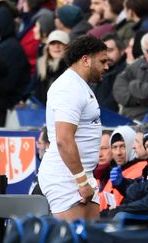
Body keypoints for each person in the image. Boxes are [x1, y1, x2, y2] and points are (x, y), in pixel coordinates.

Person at [38, 35, 108, 221]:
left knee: (92, 237)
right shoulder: (68, 87)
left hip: (80, 175)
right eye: (102, 61)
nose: (106, 67)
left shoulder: (79, 86)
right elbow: (63, 140)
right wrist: (82, 181)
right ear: (85, 60)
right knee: (72, 238)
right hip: (66, 176)